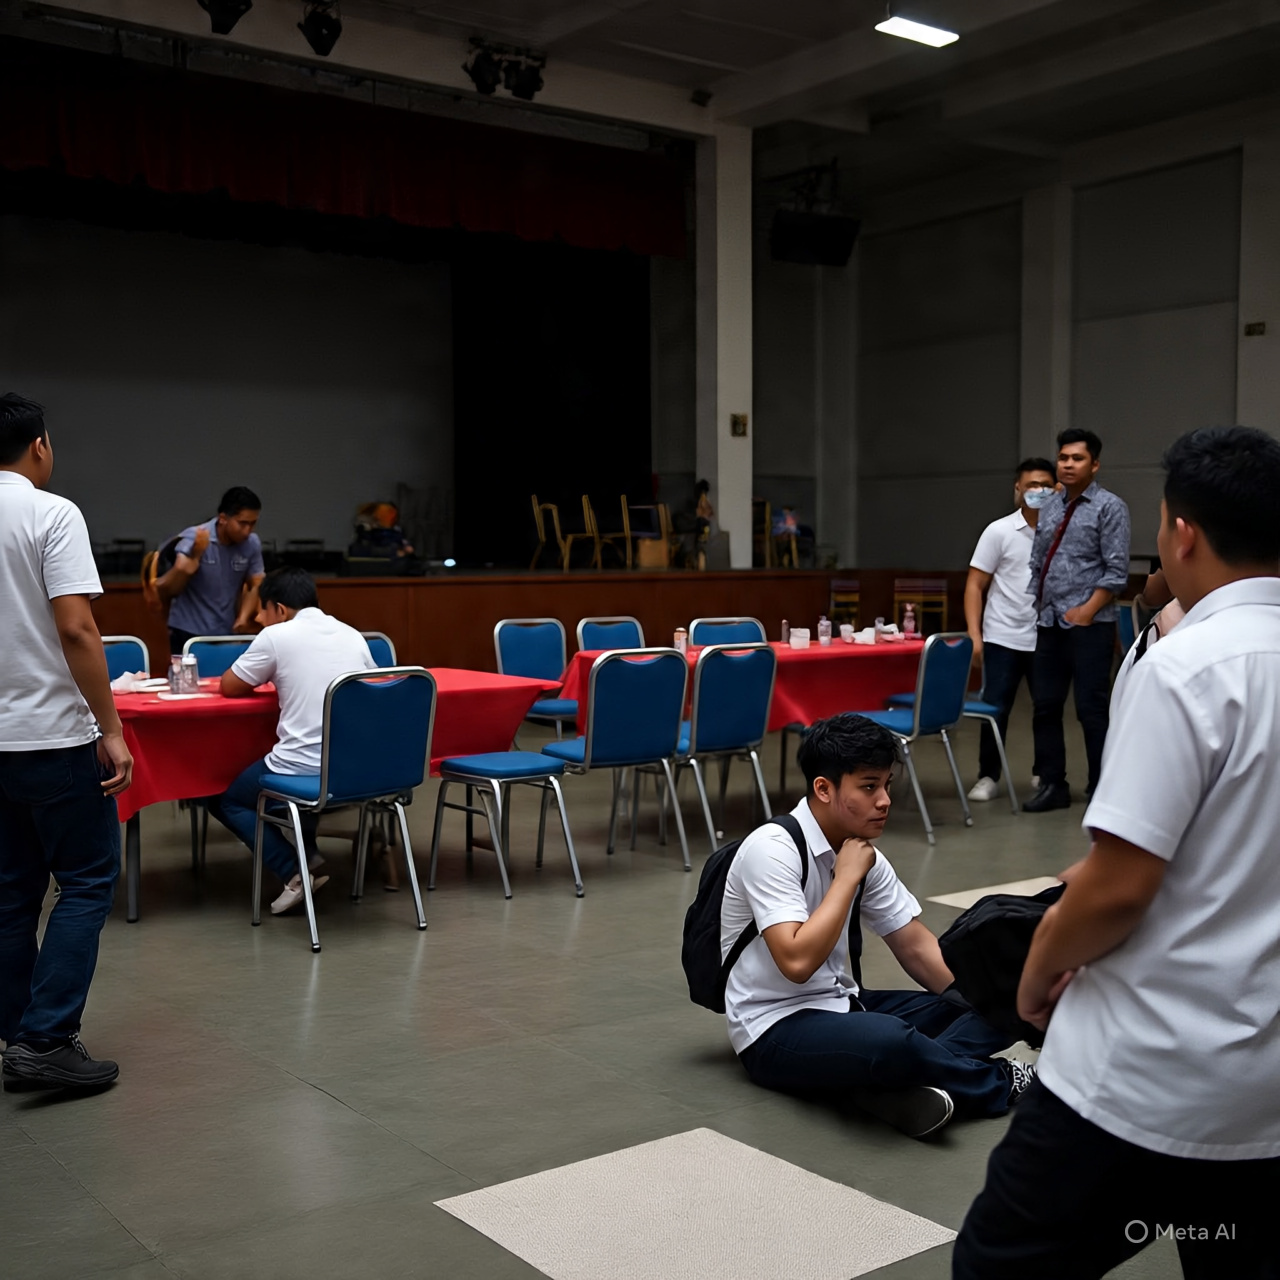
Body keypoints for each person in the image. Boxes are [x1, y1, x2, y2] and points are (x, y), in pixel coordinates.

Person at [954, 426, 1280, 1278]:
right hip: (1266, 1088)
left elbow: (1119, 889)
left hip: (1148, 1070)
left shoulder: (1189, 666)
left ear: (1182, 534)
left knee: (1000, 1265)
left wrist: (1037, 973)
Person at [723, 715, 1035, 1139]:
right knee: (891, 1040)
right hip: (773, 1026)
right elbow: (796, 962)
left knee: (998, 1002)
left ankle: (891, 1083)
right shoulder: (771, 850)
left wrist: (986, 999)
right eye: (869, 787)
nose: (885, 800)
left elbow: (916, 947)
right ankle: (999, 1082)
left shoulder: (861, 851)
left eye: (887, 784)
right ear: (824, 788)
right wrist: (847, 878)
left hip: (845, 1005)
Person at [0, 393, 133, 1093]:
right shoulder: (51, 513)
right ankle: (47, 1039)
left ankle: (18, 1035)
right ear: (39, 446)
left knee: (9, 892)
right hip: (51, 737)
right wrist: (111, 728)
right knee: (85, 882)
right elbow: (77, 628)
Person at [205, 566, 375, 915]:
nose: (257, 618)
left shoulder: (277, 636)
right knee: (292, 786)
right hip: (354, 769)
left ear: (280, 609)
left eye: (261, 610)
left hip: (302, 767)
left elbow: (230, 685)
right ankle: (308, 853)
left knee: (224, 797)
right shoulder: (353, 635)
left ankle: (294, 871)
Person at [1022, 429, 1130, 812]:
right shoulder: (1050, 505)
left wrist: (1087, 610)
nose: (1068, 464)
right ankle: (1053, 785)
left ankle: (1102, 787)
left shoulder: (1109, 507)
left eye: (1077, 458)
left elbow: (1116, 571)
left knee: (1091, 709)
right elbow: (1038, 557)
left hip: (1091, 624)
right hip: (1050, 622)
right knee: (1045, 706)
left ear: (1094, 465)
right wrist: (1038, 600)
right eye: (1063, 458)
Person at [963, 457, 1058, 801]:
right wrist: (975, 635)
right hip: (1002, 635)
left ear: (1056, 490)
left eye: (1045, 485)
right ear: (1018, 489)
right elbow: (975, 585)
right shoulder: (999, 531)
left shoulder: (1062, 532)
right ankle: (988, 776)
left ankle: (1045, 774)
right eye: (1031, 485)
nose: (1038, 491)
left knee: (1047, 707)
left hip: (1047, 636)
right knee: (996, 707)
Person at [158, 485, 265, 656]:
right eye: (242, 523)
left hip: (226, 631)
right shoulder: (196, 536)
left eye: (253, 524)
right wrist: (189, 563)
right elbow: (171, 583)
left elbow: (256, 584)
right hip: (188, 631)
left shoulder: (252, 543)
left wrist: (243, 618)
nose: (247, 531)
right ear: (223, 519)